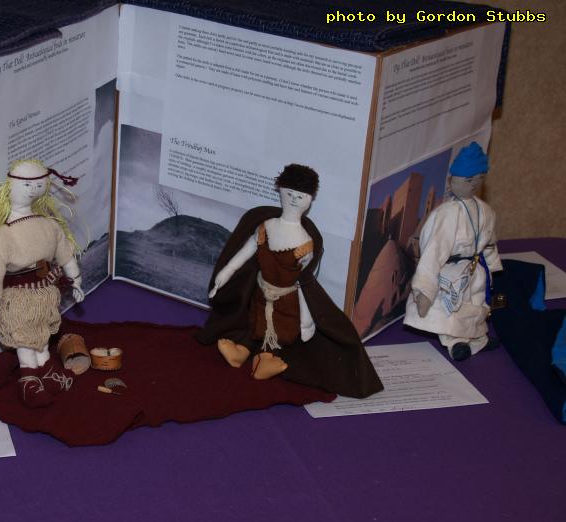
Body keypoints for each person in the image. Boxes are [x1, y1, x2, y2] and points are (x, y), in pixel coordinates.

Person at [196, 164, 382, 398]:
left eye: (300, 196)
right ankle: (242, 350)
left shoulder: (305, 243)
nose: (294, 199)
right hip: (260, 291)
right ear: (280, 191)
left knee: (278, 331)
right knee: (254, 321)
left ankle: (266, 359)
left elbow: (304, 281)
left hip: (287, 300)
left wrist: (307, 321)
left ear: (310, 200)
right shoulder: (265, 227)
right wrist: (225, 274)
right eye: (289, 193)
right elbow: (244, 254)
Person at [0, 159, 84, 406]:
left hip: (45, 293)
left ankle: (47, 373)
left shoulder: (49, 225)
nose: (33, 189)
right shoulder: (0, 235)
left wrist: (75, 280)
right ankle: (30, 382)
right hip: (18, 298)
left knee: (42, 337)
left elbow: (65, 254)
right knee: (24, 340)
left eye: (38, 184)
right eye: (27, 184)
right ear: (11, 187)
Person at [404, 142, 502, 360]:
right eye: (467, 180)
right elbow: (433, 251)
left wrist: (492, 265)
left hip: (475, 268)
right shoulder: (447, 213)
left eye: (477, 179)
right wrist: (425, 290)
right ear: (453, 180)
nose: (472, 185)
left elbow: (489, 242)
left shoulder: (486, 211)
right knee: (450, 309)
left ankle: (478, 339)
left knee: (476, 305)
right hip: (451, 271)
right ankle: (455, 343)